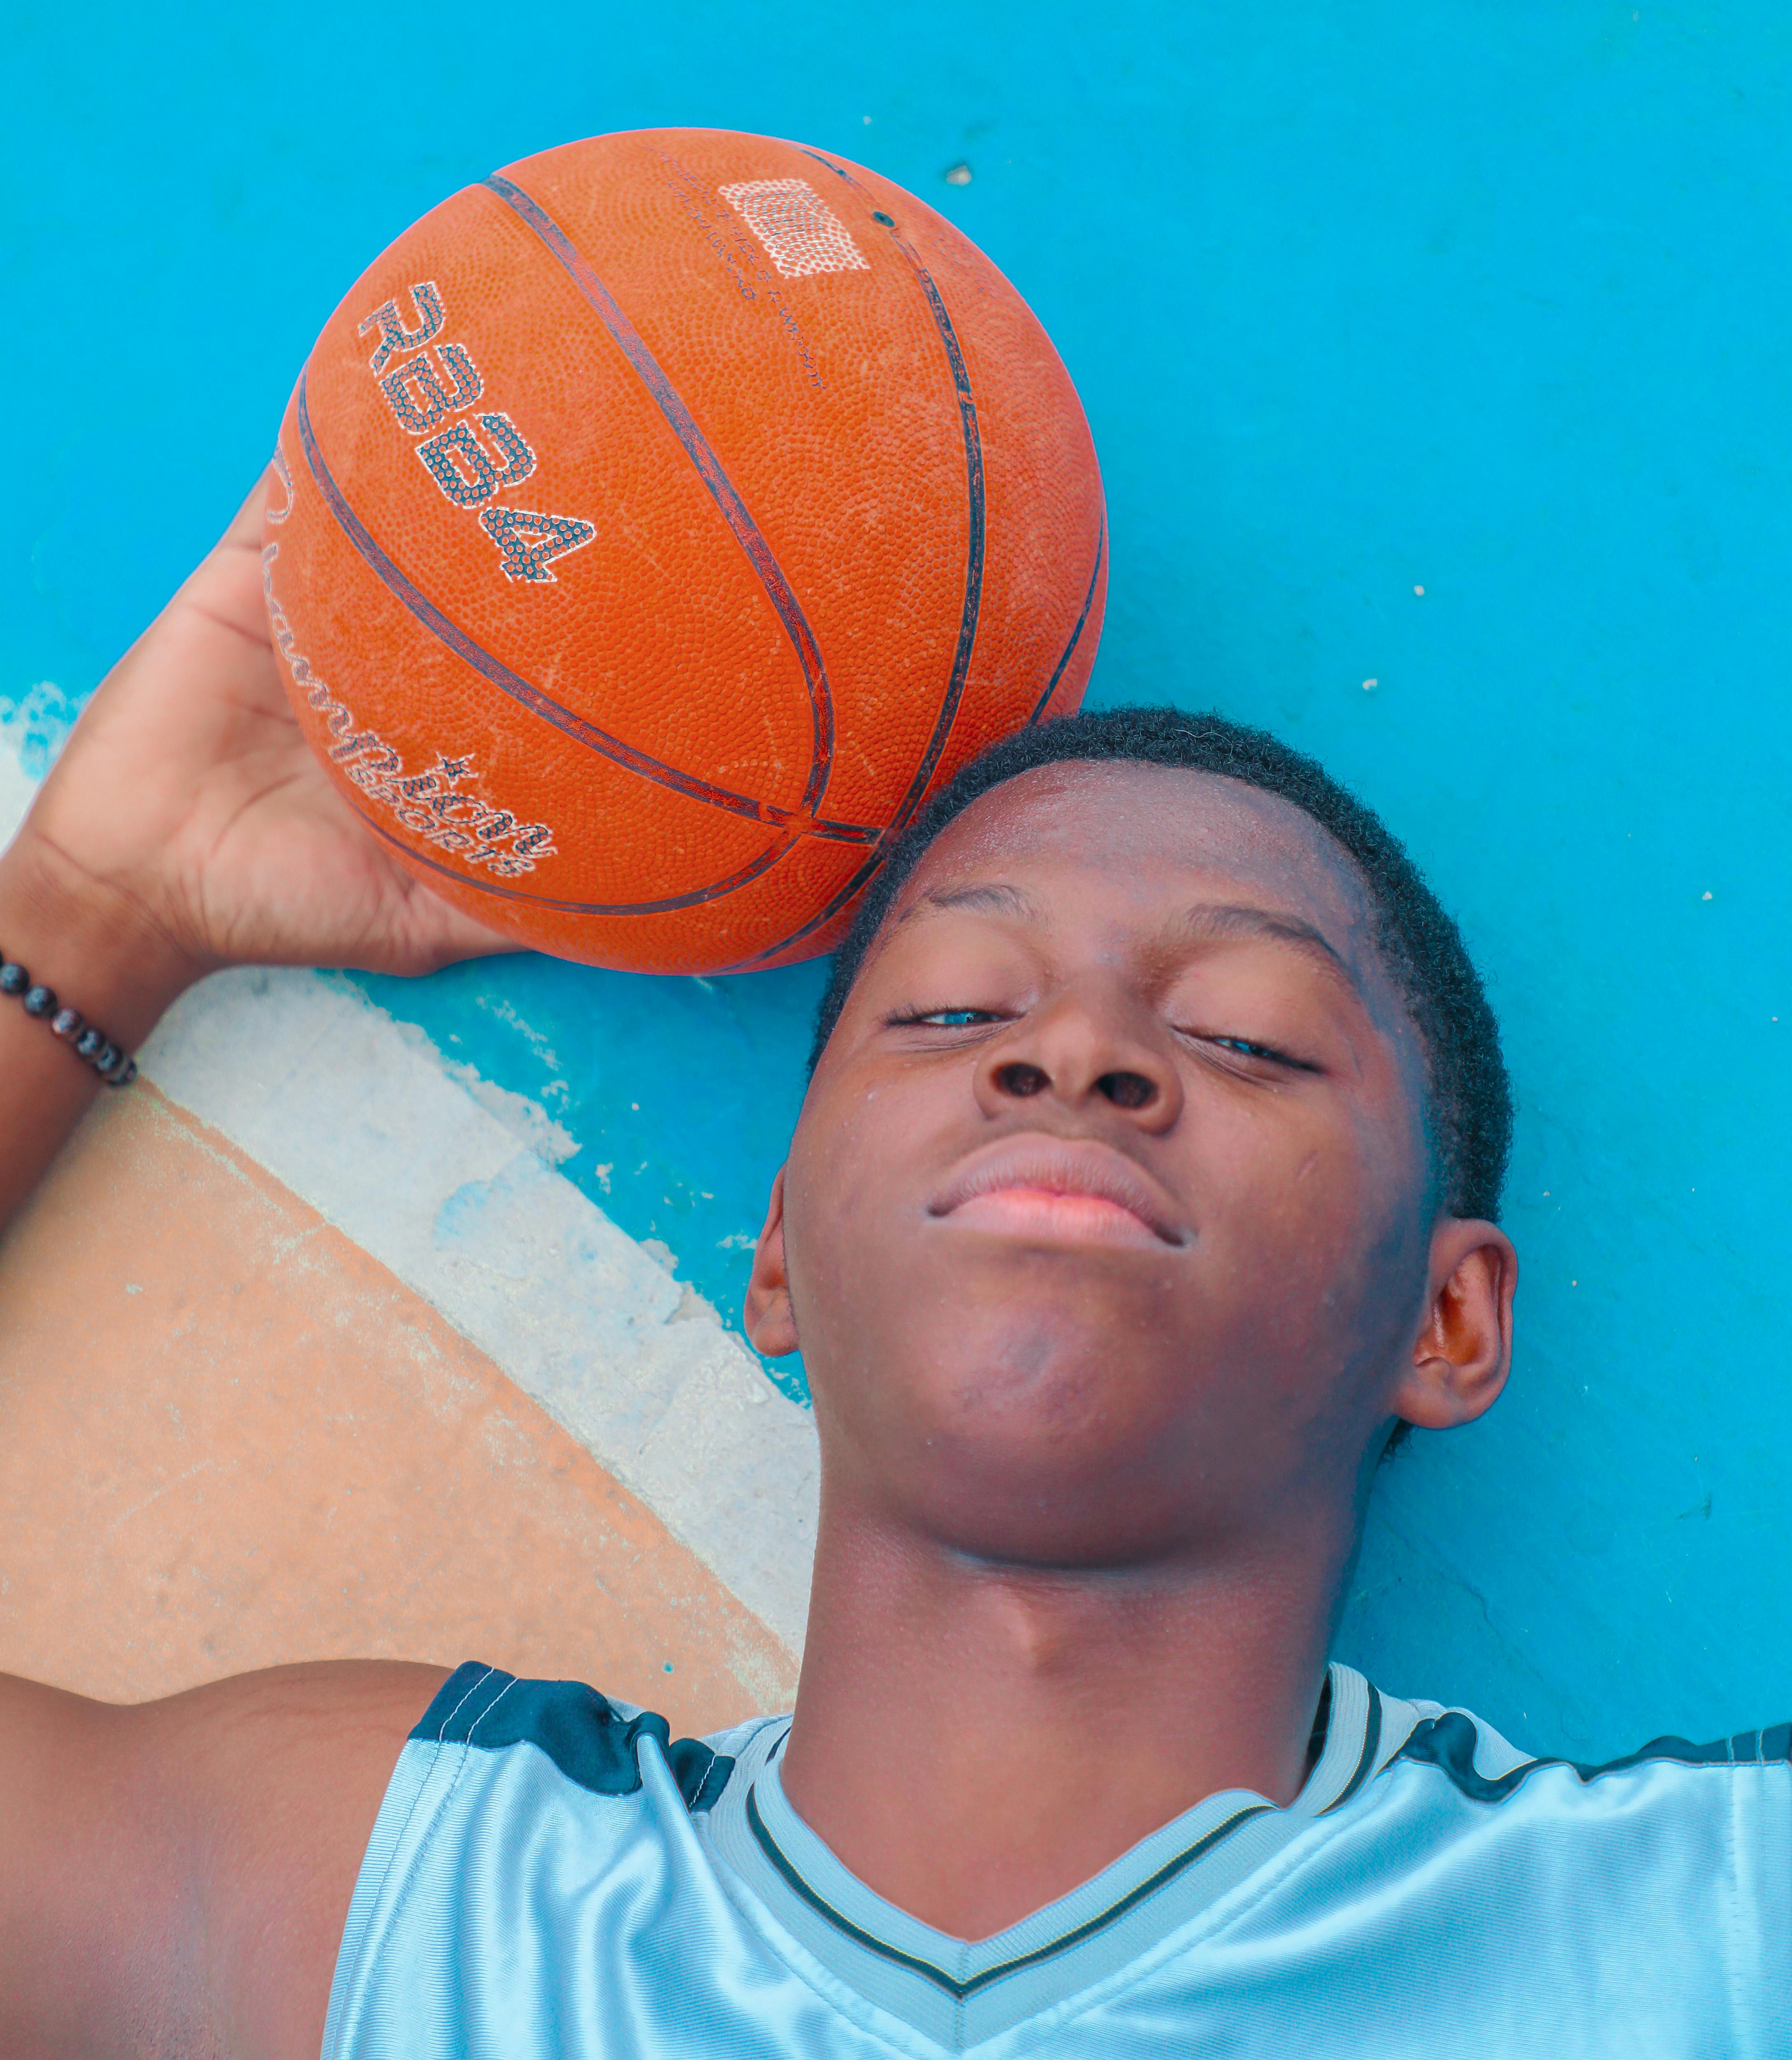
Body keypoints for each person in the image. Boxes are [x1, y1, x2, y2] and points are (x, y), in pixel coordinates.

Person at [0, 488, 1781, 2060]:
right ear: (777, 1256)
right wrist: (88, 910)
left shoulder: (1703, 1935)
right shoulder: (382, 1918)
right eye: (953, 1012)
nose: (1071, 1055)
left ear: (1445, 1317)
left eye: (1243, 1037)